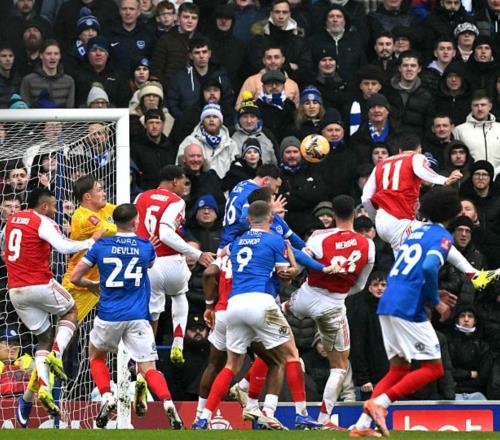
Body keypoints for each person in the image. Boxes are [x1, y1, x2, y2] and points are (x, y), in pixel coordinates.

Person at [351, 186, 462, 437]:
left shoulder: (416, 232)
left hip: (389, 299)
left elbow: (412, 269)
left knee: (399, 369)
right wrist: (436, 301)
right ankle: (381, 404)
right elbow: (429, 267)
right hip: (408, 305)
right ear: (452, 213)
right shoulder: (442, 236)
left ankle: (361, 426)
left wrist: (429, 292)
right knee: (434, 368)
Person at [193, 201, 315, 430]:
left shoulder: (235, 243)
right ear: (271, 218)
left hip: (233, 305)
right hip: (261, 301)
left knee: (231, 365)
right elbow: (285, 275)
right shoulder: (275, 240)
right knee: (290, 356)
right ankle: (300, 414)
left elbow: (214, 268)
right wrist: (290, 258)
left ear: (248, 220)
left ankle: (203, 417)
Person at [69, 203, 183, 429]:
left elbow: (74, 277)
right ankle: (168, 403)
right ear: (135, 222)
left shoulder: (101, 246)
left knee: (96, 357)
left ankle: (107, 397)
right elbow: (150, 263)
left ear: (114, 222)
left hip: (109, 315)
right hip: (138, 316)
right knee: (148, 368)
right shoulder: (145, 246)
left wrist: (91, 284)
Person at [6, 188, 104, 417]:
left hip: (15, 290)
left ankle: (44, 388)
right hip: (40, 284)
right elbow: (63, 247)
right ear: (44, 206)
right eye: (52, 205)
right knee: (70, 311)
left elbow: (4, 246)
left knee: (44, 338)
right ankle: (57, 355)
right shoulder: (42, 221)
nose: (54, 209)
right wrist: (90, 241)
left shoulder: (11, 220)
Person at [285, 195, 375, 428]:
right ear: (354, 214)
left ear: (333, 215)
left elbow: (299, 265)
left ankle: (247, 385)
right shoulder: (368, 245)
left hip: (306, 295)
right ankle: (323, 420)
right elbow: (361, 285)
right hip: (333, 305)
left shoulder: (319, 236)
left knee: (277, 314)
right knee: (340, 367)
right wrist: (340, 291)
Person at [134, 165, 215, 364]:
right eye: (183, 183)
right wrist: (197, 254)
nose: (185, 187)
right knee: (179, 294)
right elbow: (165, 233)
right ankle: (178, 342)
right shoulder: (176, 201)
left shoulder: (140, 198)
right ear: (174, 181)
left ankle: (147, 358)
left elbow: (133, 227)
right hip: (171, 260)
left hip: (149, 263)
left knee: (153, 313)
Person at [61, 175, 117, 324]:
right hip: (81, 283)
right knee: (69, 328)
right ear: (87, 196)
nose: (104, 193)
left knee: (118, 322)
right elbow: (112, 229)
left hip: (103, 279)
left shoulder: (105, 208)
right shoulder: (82, 217)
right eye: (99, 190)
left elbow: (127, 213)